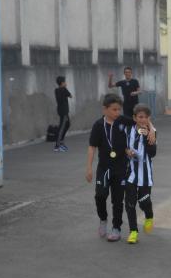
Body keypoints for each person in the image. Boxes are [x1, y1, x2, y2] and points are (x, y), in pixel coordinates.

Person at [86, 94, 156, 242]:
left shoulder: (124, 121)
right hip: (104, 168)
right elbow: (92, 147)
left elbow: (143, 120)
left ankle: (117, 228)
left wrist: (151, 131)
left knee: (118, 201)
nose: (117, 113)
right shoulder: (98, 125)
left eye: (119, 109)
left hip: (121, 168)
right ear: (105, 109)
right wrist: (89, 168)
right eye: (114, 110)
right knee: (100, 196)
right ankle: (103, 219)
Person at [124, 104, 156, 245]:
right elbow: (122, 145)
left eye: (145, 117)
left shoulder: (152, 132)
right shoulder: (128, 129)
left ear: (149, 118)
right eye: (140, 117)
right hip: (131, 174)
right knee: (130, 203)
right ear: (134, 118)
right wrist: (127, 151)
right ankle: (133, 231)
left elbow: (153, 153)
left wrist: (148, 137)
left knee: (144, 202)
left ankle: (149, 216)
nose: (143, 120)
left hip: (145, 175)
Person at [54, 76, 72, 152]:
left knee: (67, 124)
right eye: (65, 82)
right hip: (64, 112)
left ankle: (61, 141)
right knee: (62, 127)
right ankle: (57, 145)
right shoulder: (63, 89)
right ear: (62, 83)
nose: (66, 83)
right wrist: (65, 88)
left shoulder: (56, 90)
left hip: (61, 111)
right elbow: (70, 96)